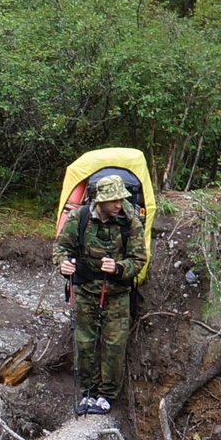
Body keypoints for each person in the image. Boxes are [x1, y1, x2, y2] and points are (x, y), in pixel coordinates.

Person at [55, 173, 149, 416]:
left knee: (114, 344)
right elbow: (61, 247)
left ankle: (106, 397)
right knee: (85, 342)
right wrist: (63, 264)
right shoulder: (80, 217)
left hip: (117, 293)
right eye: (113, 201)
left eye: (121, 199)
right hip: (85, 290)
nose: (119, 204)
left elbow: (139, 259)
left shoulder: (130, 221)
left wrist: (119, 268)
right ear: (100, 201)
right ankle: (88, 392)